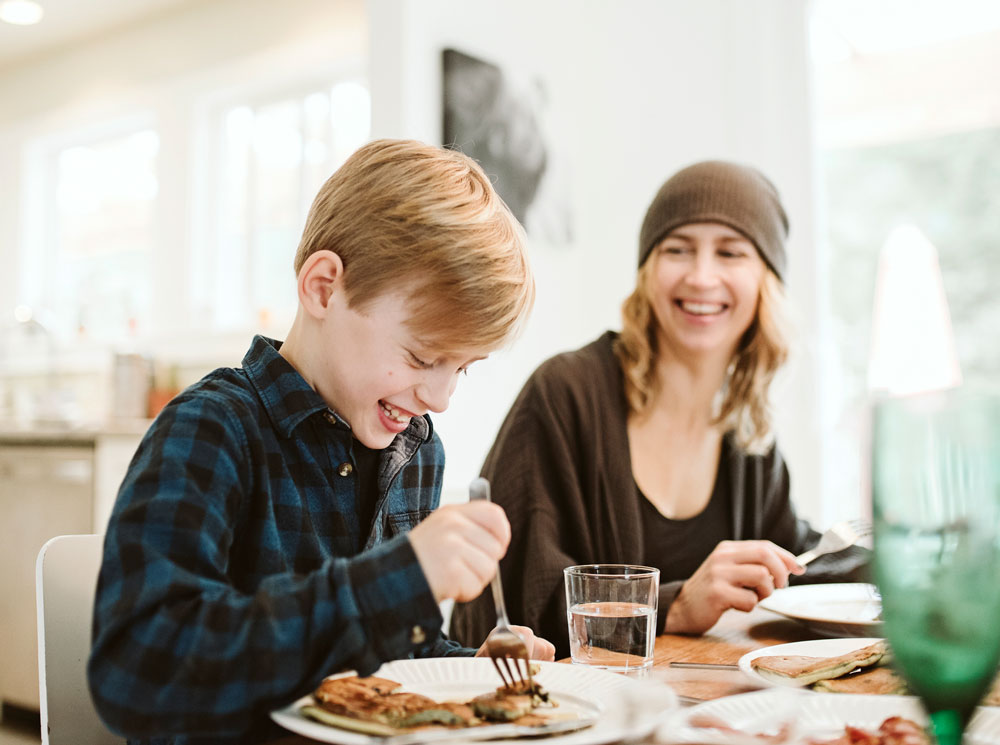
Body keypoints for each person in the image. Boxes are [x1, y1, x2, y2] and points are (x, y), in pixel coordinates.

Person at [87, 139, 555, 744]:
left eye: (460, 369)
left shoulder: (412, 447)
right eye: (421, 356)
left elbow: (369, 657)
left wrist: (466, 667)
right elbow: (140, 669)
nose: (439, 399)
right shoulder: (212, 430)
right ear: (325, 288)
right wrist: (399, 579)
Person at [450, 160, 869, 658]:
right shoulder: (566, 393)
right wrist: (676, 603)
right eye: (678, 249)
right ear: (648, 272)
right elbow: (516, 599)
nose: (701, 276)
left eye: (730, 252)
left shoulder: (746, 431)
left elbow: (797, 558)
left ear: (765, 281)